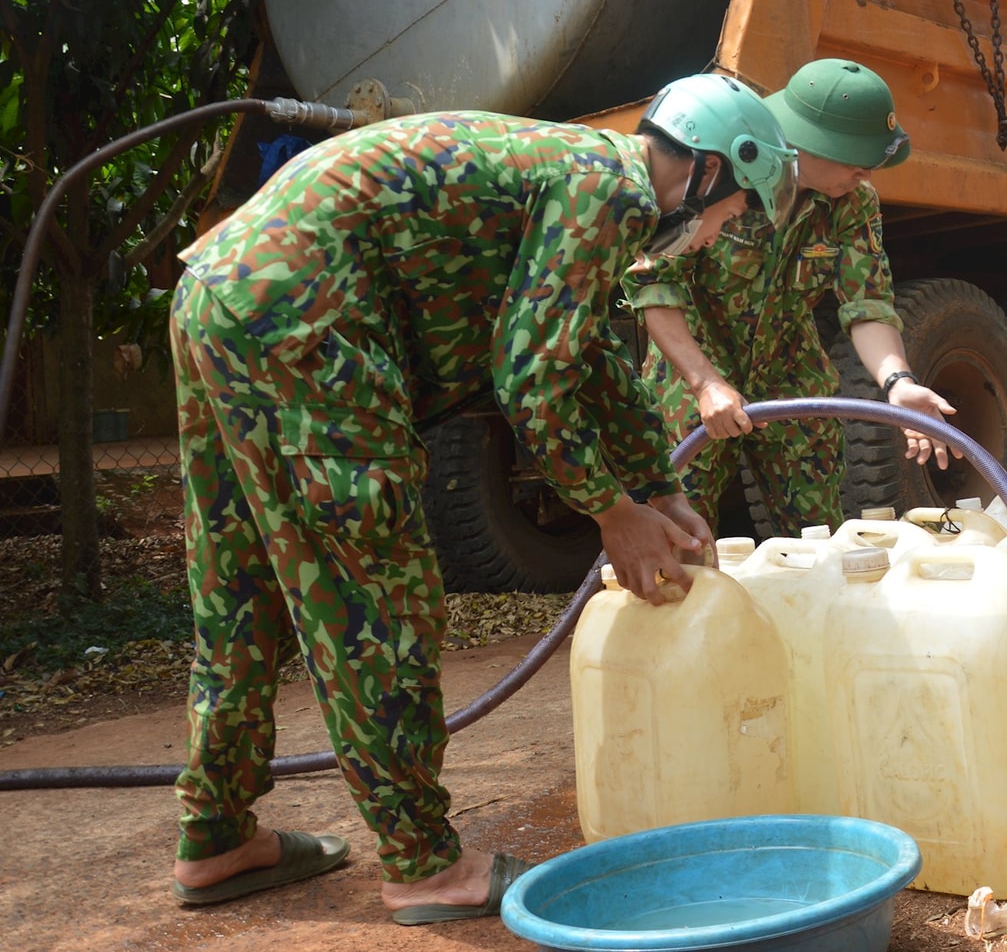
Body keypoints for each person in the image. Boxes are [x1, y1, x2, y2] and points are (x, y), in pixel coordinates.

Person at [165, 75, 798, 923]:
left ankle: (215, 833)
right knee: (374, 594)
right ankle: (424, 865)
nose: (723, 234)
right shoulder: (609, 190)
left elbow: (591, 363)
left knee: (241, 587)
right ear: (712, 172)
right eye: (733, 213)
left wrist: (658, 486)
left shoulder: (588, 176)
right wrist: (613, 515)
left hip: (223, 294)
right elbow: (531, 376)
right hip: (309, 326)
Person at [632, 59, 957, 537]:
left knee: (815, 536)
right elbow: (655, 285)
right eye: (857, 161)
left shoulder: (853, 203)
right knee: (680, 528)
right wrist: (704, 385)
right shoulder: (723, 176)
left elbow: (867, 303)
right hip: (694, 368)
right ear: (810, 144)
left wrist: (897, 383)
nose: (866, 175)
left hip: (790, 368)